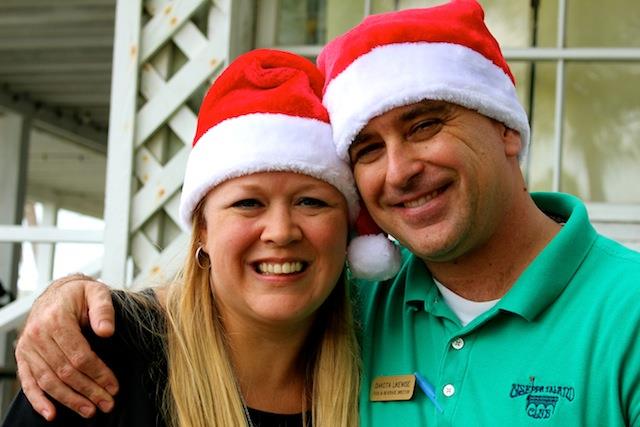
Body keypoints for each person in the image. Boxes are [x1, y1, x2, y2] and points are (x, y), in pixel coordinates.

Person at [13, 1, 640, 425]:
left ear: (506, 129)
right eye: (368, 150)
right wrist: (65, 299)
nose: (398, 170)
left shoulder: (626, 313)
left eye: (425, 125)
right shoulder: (360, 305)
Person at [3, 48, 362, 426]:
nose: (281, 231)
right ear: (202, 228)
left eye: (311, 202)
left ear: (348, 227)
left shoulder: (381, 353)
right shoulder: (100, 355)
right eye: (248, 203)